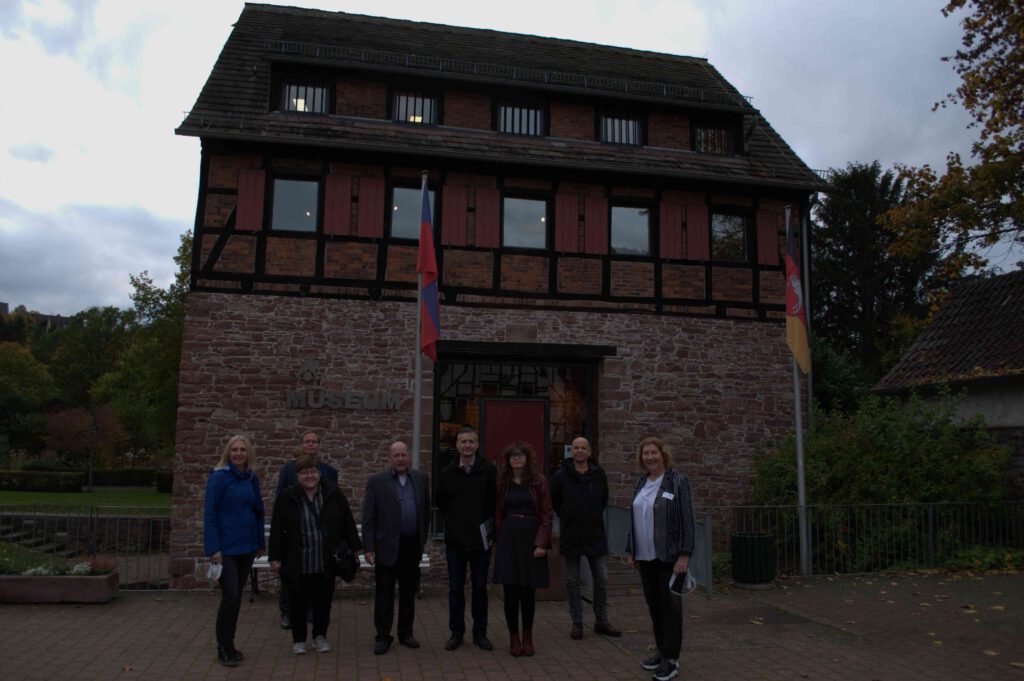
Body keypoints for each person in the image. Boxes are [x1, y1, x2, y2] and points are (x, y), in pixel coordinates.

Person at [268, 453, 360, 655]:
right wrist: (274, 556)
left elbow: (347, 520)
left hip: (324, 558)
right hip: (297, 559)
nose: (309, 476)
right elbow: (277, 528)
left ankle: (320, 636)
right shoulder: (287, 497)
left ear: (318, 473)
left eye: (312, 471)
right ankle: (299, 639)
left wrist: (355, 547)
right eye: (304, 473)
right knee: (297, 602)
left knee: (323, 601)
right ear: (297, 476)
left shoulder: (332, 492)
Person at [627, 436, 695, 681]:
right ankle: (661, 650)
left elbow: (687, 518)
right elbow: (635, 517)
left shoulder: (677, 481)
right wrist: (632, 551)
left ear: (663, 454)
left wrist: (685, 554)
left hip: (670, 557)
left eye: (654, 453)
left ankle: (672, 661)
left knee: (671, 610)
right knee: (655, 607)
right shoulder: (641, 482)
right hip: (645, 558)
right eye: (645, 454)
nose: (650, 457)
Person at [362, 439, 431, 655]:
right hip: (387, 546)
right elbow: (369, 517)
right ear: (389, 458)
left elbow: (425, 512)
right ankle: (383, 636)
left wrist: (422, 540)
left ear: (409, 457)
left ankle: (406, 633)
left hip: (411, 545)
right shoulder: (377, 481)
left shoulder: (420, 479)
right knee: (384, 593)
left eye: (403, 455)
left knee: (408, 593)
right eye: (396, 455)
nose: (400, 459)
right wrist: (369, 547)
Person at [549, 436, 621, 640]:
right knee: (572, 580)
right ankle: (577, 622)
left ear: (589, 452)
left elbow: (603, 499)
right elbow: (556, 501)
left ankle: (601, 620)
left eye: (583, 448)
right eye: (576, 448)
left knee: (602, 578)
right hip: (571, 533)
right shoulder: (561, 476)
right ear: (571, 451)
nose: (579, 451)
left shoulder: (598, 475)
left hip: (594, 532)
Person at [203, 434, 265, 667]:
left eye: (242, 449)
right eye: (234, 450)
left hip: (246, 546)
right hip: (226, 548)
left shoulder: (251, 478)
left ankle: (230, 642)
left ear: (248, 453)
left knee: (236, 597)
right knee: (231, 597)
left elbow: (258, 510)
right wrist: (213, 548)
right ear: (228, 453)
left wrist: (260, 542)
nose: (238, 453)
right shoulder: (219, 478)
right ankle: (223, 646)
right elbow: (210, 514)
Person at [434, 426, 497, 651]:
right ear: (457, 445)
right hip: (455, 541)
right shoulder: (447, 472)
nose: (467, 446)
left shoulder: (488, 470)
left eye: (471, 442)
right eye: (463, 442)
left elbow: (494, 502)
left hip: (481, 542)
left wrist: (491, 534)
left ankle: (480, 633)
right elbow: (440, 501)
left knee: (480, 589)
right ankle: (456, 633)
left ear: (477, 445)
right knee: (455, 589)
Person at [492, 441, 553, 657]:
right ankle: (513, 637)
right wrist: (499, 540)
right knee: (510, 591)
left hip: (531, 540)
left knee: (528, 592)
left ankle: (528, 636)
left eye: (520, 456)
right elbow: (498, 514)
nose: (516, 459)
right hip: (509, 539)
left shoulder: (539, 482)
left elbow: (547, 514)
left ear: (527, 458)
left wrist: (541, 543)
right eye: (512, 456)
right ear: (508, 460)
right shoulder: (502, 482)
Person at [274, 430, 339, 630]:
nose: (310, 445)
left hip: (319, 532)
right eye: (307, 441)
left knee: (316, 574)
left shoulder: (329, 472)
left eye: (314, 442)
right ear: (302, 445)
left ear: (319, 446)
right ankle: (287, 611)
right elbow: (280, 501)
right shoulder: (288, 470)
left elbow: (334, 503)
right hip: (294, 533)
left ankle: (311, 610)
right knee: (291, 575)